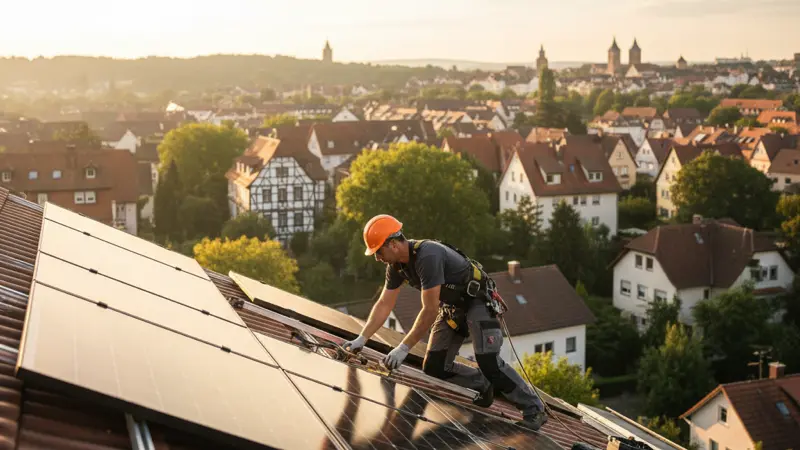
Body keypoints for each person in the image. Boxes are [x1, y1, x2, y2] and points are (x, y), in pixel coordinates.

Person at [342, 214, 548, 431]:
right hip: (453, 308)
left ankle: (534, 409)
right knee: (434, 366)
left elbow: (430, 310)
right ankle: (483, 383)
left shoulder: (427, 256)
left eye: (378, 252)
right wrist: (361, 338)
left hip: (477, 301)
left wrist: (403, 348)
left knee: (488, 360)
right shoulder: (396, 267)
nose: (377, 258)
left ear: (393, 244)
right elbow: (384, 304)